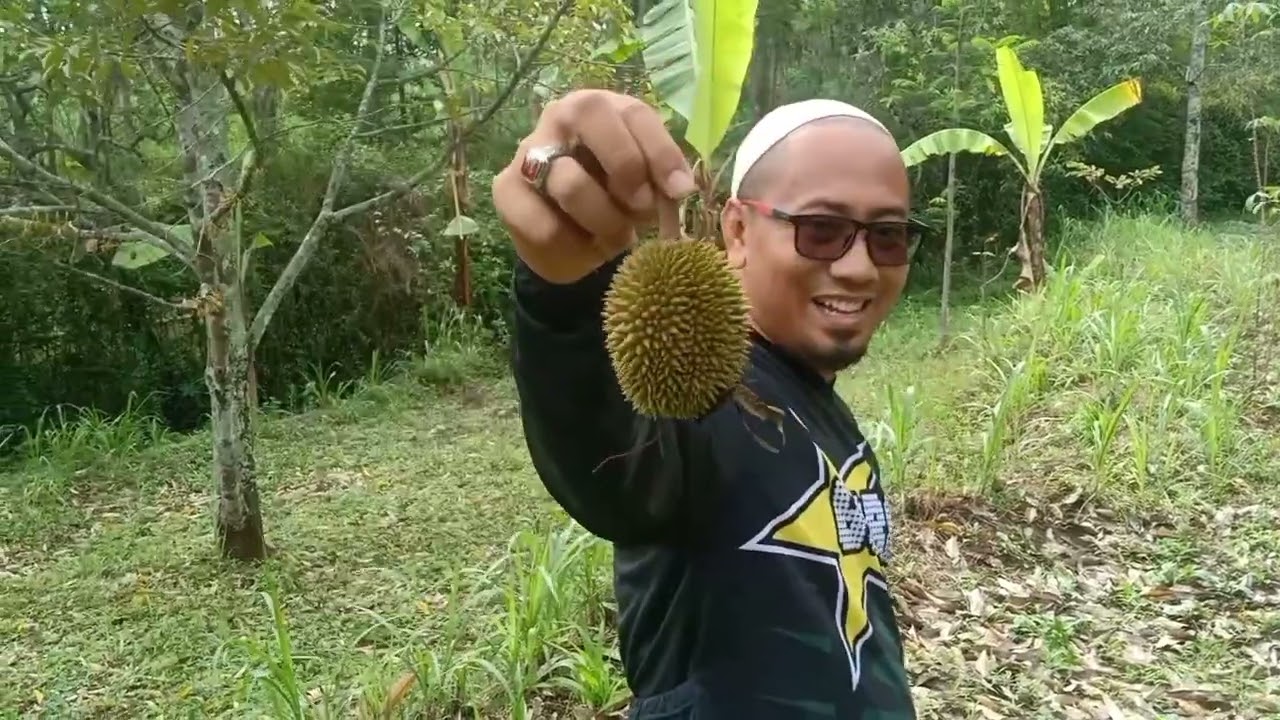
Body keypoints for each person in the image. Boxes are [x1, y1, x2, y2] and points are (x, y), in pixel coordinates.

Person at [493, 89, 925, 719]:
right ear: (739, 230)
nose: (860, 267)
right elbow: (612, 452)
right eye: (822, 230)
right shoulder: (705, 405)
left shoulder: (826, 413)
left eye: (888, 237)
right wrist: (560, 290)